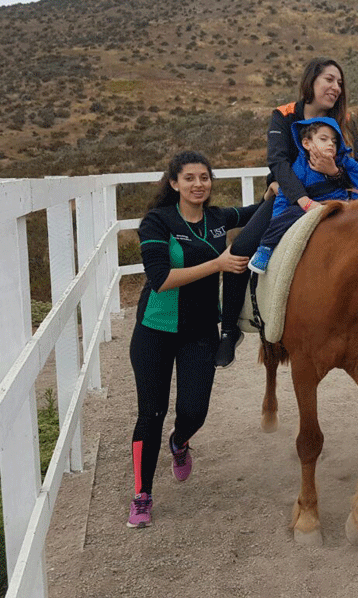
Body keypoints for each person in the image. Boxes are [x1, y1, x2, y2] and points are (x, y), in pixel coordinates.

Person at [127, 151, 262, 529]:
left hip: (200, 332)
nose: (198, 184)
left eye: (204, 177)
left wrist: (279, 190)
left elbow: (252, 213)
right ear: (174, 183)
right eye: (189, 178)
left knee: (194, 411)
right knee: (151, 414)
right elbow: (160, 279)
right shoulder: (158, 222)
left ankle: (181, 442)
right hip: (155, 329)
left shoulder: (217, 219)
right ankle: (142, 495)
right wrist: (218, 264)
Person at [215, 57, 358, 367]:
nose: (336, 87)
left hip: (337, 195)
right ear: (311, 81)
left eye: (340, 83)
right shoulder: (284, 115)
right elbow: (278, 162)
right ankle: (229, 330)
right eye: (329, 79)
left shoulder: (346, 121)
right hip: (288, 198)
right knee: (242, 248)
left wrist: (333, 173)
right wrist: (301, 199)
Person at [248, 117, 358, 273]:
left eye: (334, 141)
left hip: (340, 205)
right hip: (308, 207)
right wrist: (277, 219)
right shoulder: (300, 167)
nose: (330, 144)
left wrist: (357, 203)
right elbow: (284, 196)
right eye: (323, 139)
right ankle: (266, 248)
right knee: (289, 213)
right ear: (307, 143)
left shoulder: (344, 161)